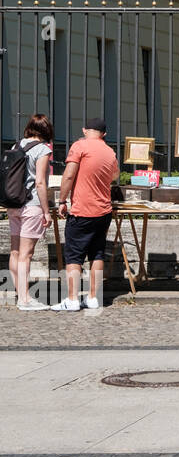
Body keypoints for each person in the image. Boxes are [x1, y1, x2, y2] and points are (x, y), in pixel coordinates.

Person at [55, 117, 119, 311]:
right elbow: (115, 176)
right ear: (104, 134)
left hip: (82, 210)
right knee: (97, 254)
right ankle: (93, 298)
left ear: (84, 130)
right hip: (103, 211)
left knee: (74, 256)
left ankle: (73, 299)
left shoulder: (79, 146)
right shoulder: (110, 152)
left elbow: (68, 174)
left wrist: (62, 200)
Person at [7, 114, 54, 311]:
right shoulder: (42, 149)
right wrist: (46, 211)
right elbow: (40, 183)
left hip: (13, 203)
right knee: (26, 254)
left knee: (15, 251)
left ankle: (20, 294)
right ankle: (25, 299)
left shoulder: (16, 146)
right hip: (31, 205)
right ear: (45, 131)